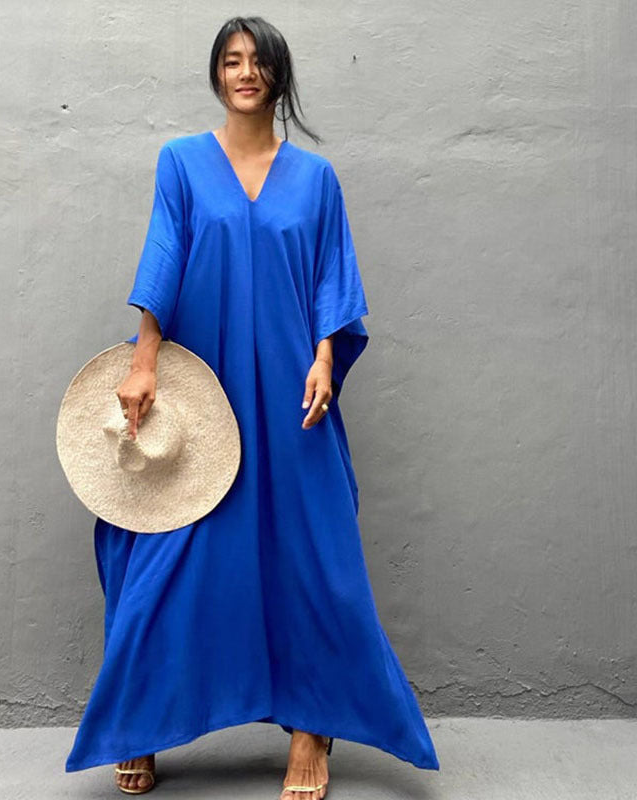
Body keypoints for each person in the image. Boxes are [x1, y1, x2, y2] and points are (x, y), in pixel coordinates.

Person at [65, 15, 440, 799]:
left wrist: (328, 356)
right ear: (217, 73)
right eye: (231, 60)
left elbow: (334, 278)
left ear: (278, 76)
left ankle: (312, 728)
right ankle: (141, 722)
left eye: (259, 60)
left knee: (312, 556)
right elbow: (163, 253)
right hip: (206, 389)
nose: (246, 71)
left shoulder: (316, 180)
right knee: (166, 552)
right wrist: (142, 363)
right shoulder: (181, 163)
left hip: (292, 394)